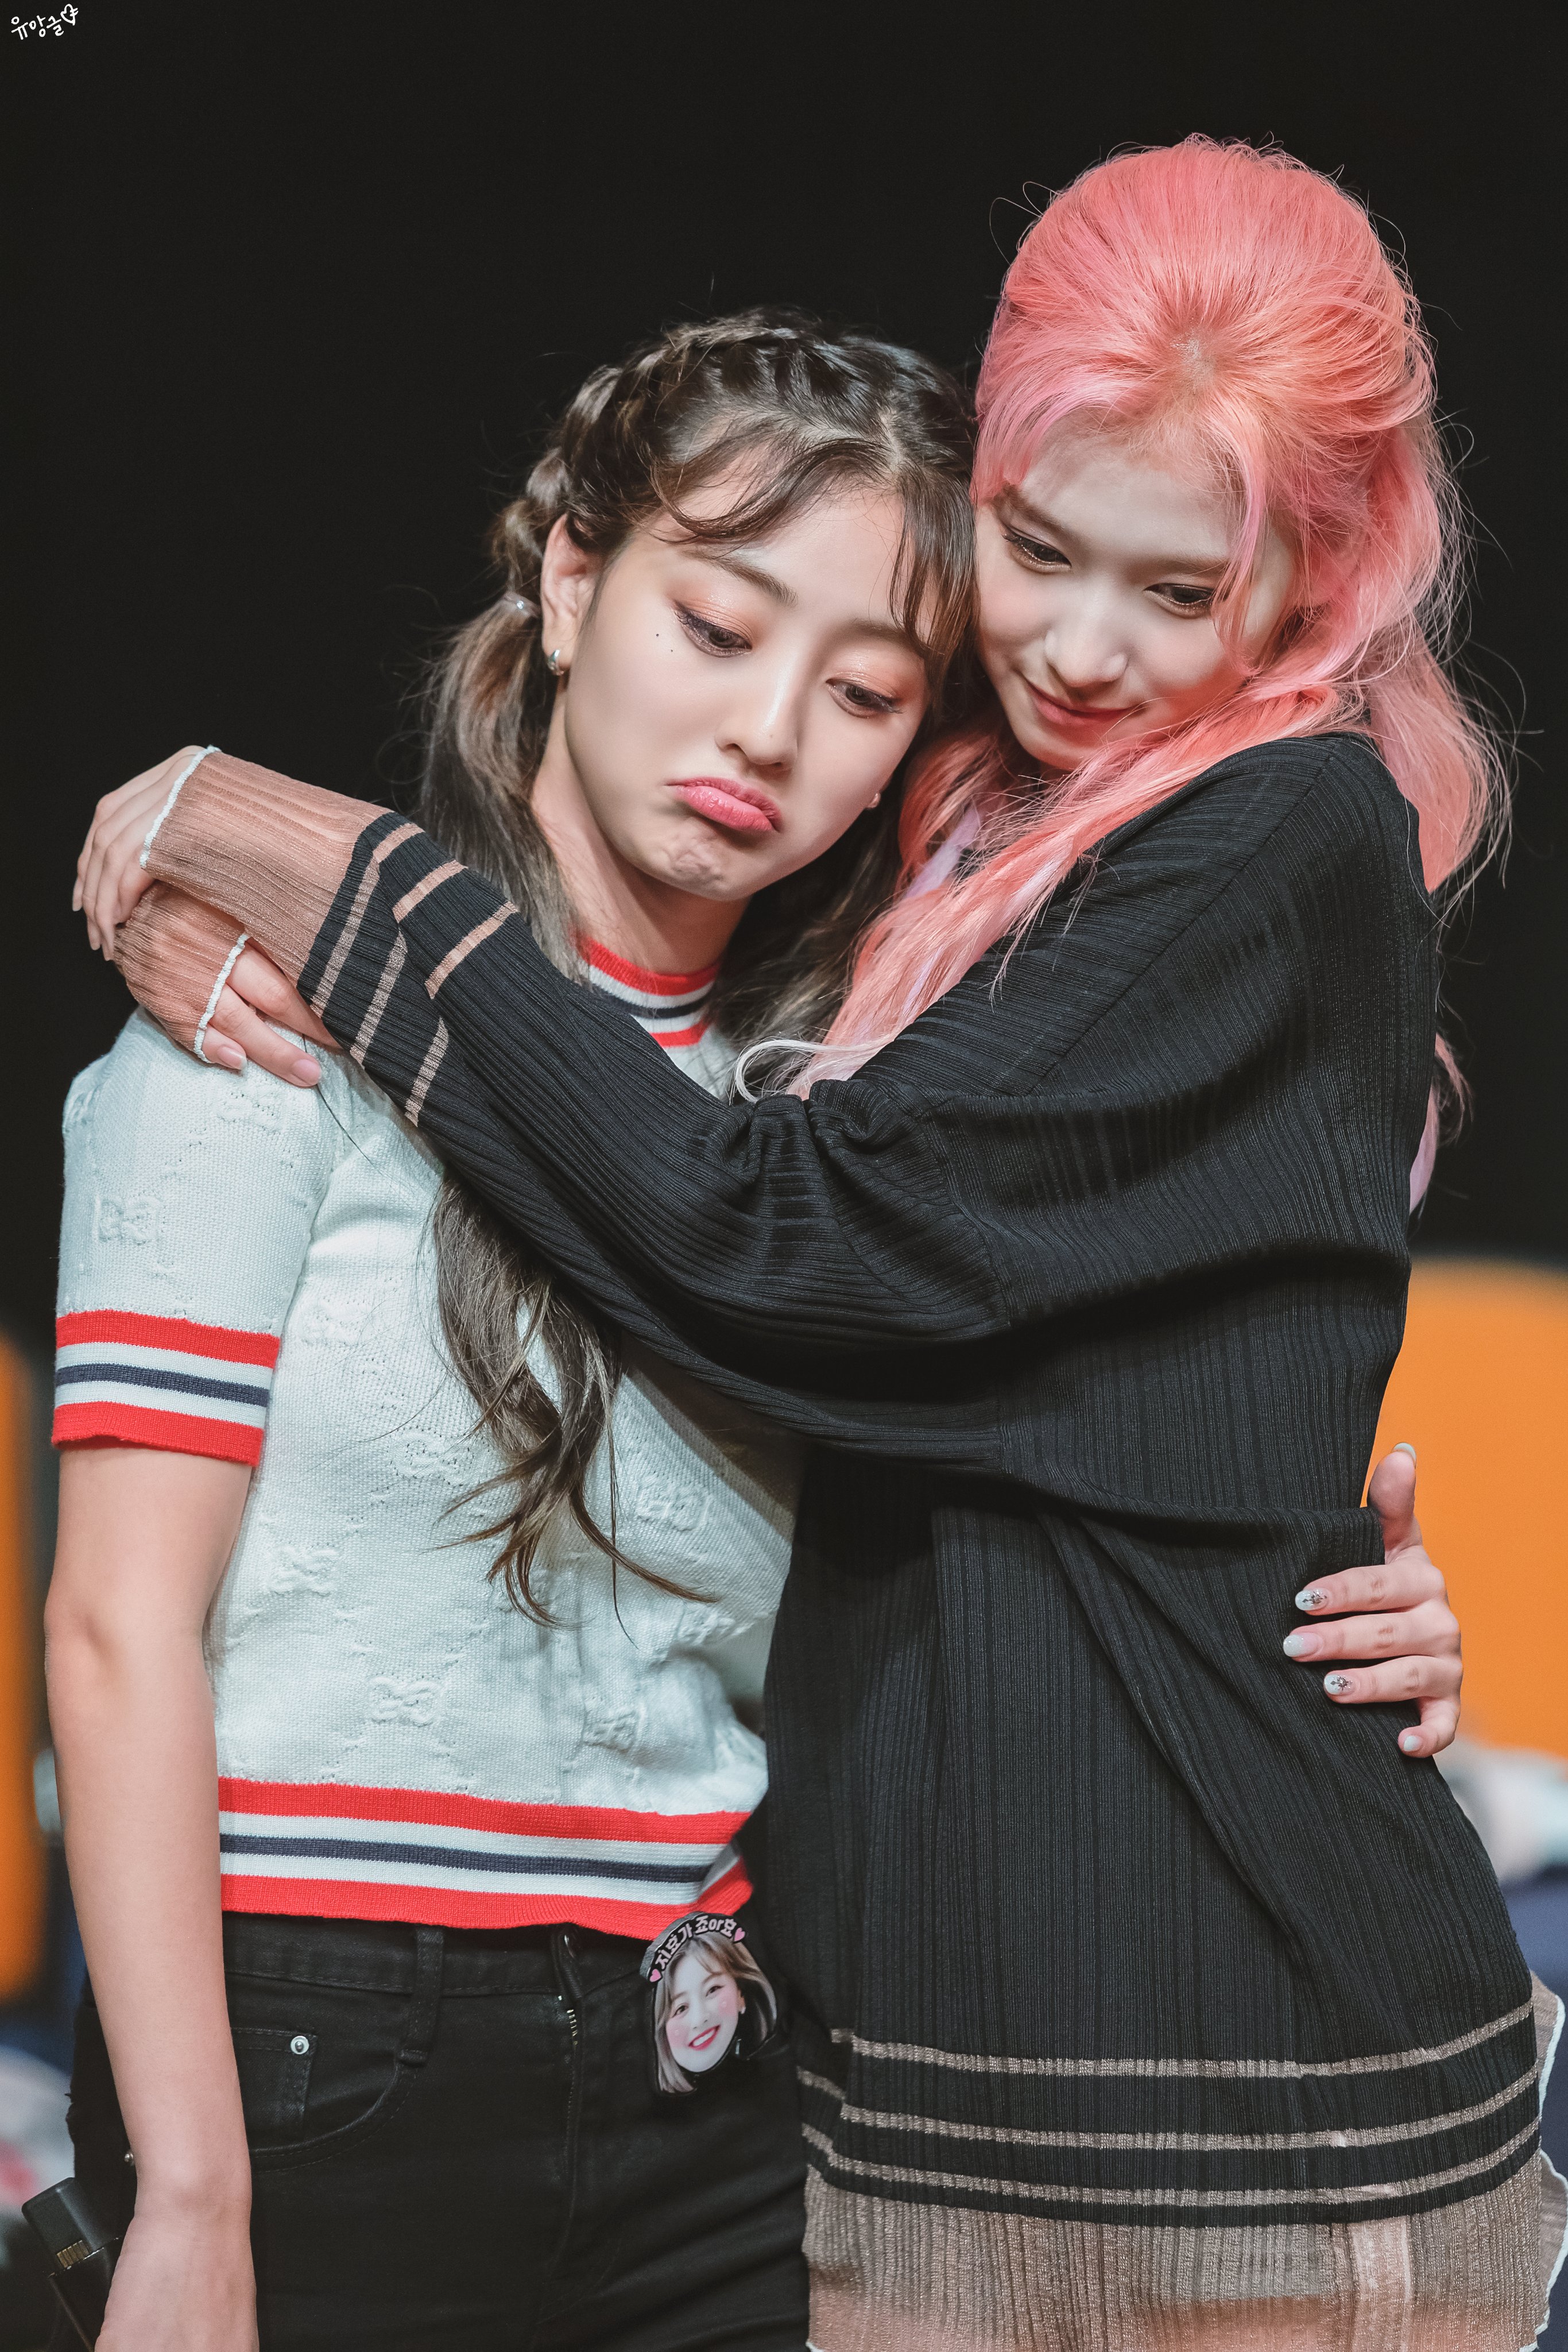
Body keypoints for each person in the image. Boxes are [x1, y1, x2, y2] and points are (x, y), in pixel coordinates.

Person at [77, 140, 1539, 2349]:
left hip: (1159, 2092)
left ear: (1307, 595)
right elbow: (125, 1619)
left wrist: (280, 845)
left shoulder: (1263, 835)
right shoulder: (887, 936)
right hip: (831, 2092)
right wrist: (196, 882)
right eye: (1032, 551)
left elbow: (791, 1255)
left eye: (1176, 591)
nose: (1079, 651)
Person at [46, 312, 978, 2352]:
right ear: (569, 580)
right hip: (309, 2044)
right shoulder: (254, 1023)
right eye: (715, 625)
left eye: (864, 691)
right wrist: (190, 2192)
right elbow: (115, 1629)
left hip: (713, 2072)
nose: (768, 730)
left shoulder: (832, 1129)